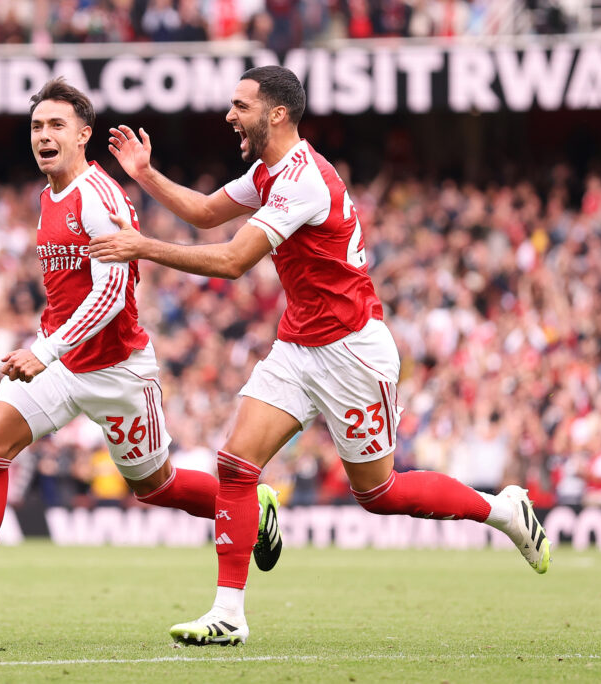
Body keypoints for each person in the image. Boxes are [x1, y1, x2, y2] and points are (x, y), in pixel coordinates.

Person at [89, 65, 551, 646]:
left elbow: (232, 262)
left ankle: (502, 511)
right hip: (299, 344)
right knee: (235, 463)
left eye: (240, 106)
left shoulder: (303, 180)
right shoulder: (268, 172)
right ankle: (228, 613)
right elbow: (207, 213)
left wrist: (142, 247)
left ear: (276, 114)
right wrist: (146, 175)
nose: (230, 115)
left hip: (353, 353)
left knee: (378, 493)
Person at [0, 78, 282, 629]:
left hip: (116, 370)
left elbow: (110, 295)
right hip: (59, 361)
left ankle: (256, 501)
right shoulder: (48, 196)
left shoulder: (100, 198)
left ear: (84, 135)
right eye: (37, 126)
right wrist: (48, 348)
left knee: (156, 487)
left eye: (56, 125)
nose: (43, 135)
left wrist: (47, 350)